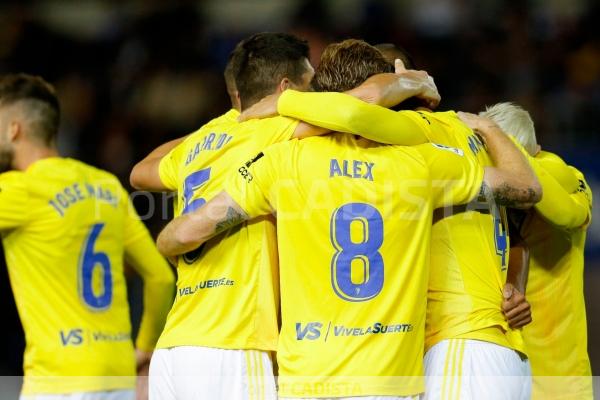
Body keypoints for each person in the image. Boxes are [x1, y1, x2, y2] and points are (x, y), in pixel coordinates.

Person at [155, 39, 541, 399]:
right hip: (391, 380)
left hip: (304, 381)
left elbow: (181, 233)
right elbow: (525, 188)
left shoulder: (281, 161)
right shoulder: (422, 163)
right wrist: (487, 126)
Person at [131, 33, 440, 400]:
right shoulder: (278, 133)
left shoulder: (208, 139)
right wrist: (416, 80)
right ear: (285, 88)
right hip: (233, 339)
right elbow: (363, 104)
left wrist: (218, 131)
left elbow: (140, 173)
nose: (316, 98)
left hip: (176, 342)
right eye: (310, 87)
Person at [0, 74, 174, 399]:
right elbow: (161, 277)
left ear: (13, 129)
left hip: (58, 379)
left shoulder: (17, 190)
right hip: (117, 372)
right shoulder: (106, 185)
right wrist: (146, 346)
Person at [475, 102, 594, 400]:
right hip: (497, 368)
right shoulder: (483, 185)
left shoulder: (566, 178)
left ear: (535, 151)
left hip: (558, 379)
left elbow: (567, 215)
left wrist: (507, 150)